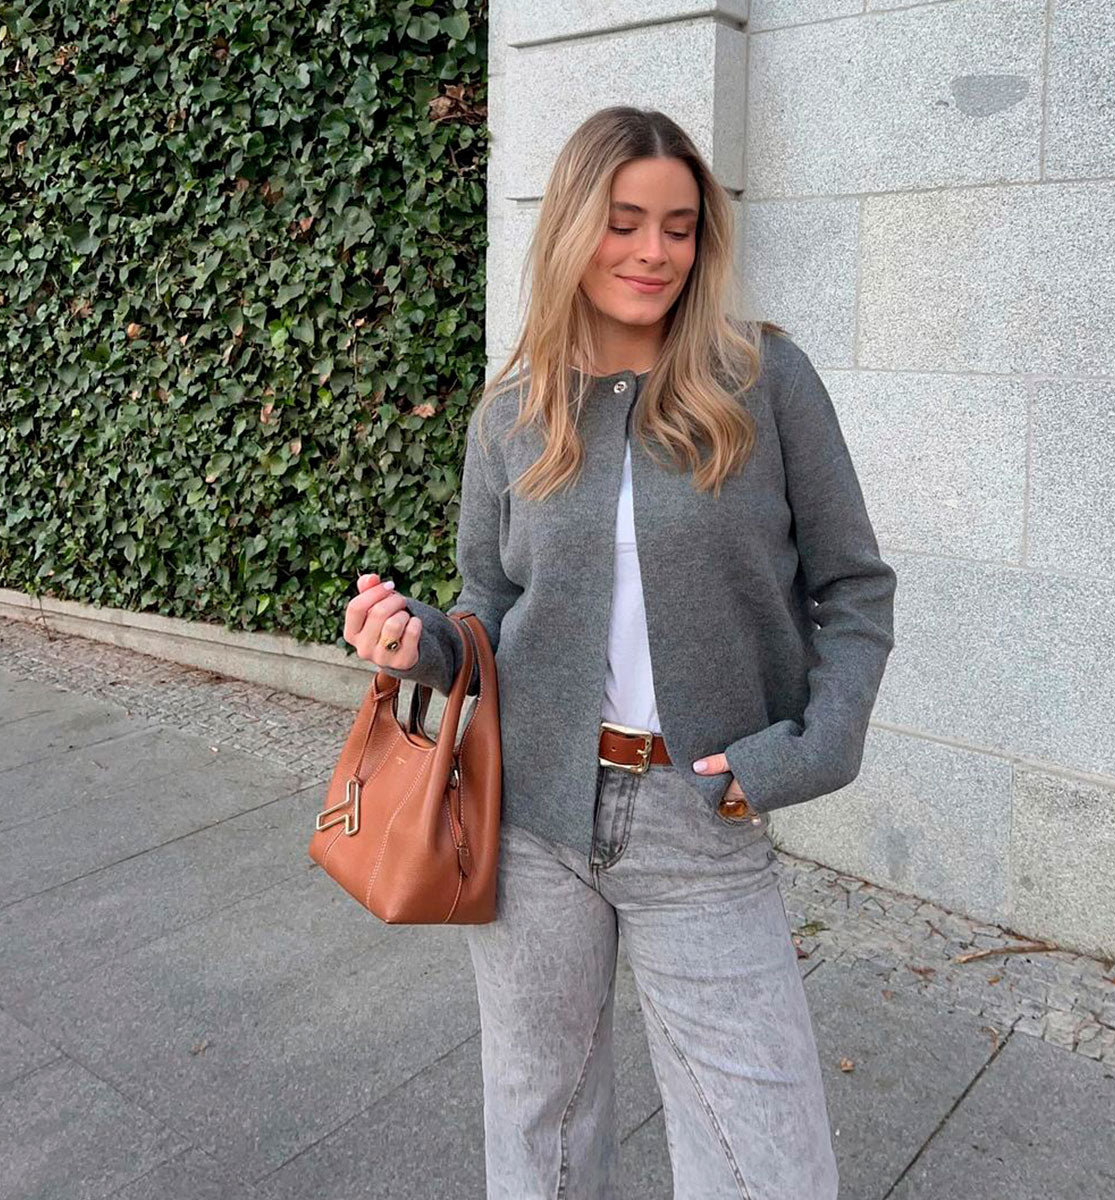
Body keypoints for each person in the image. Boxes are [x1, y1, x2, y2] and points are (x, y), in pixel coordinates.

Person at [343, 106, 896, 1200]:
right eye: (624, 222)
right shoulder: (513, 412)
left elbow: (854, 587)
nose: (654, 252)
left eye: (679, 228)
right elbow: (490, 609)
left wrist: (813, 747)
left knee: (766, 1159)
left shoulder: (765, 380)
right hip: (533, 819)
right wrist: (416, 643)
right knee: (538, 1126)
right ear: (572, 228)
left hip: (703, 812)